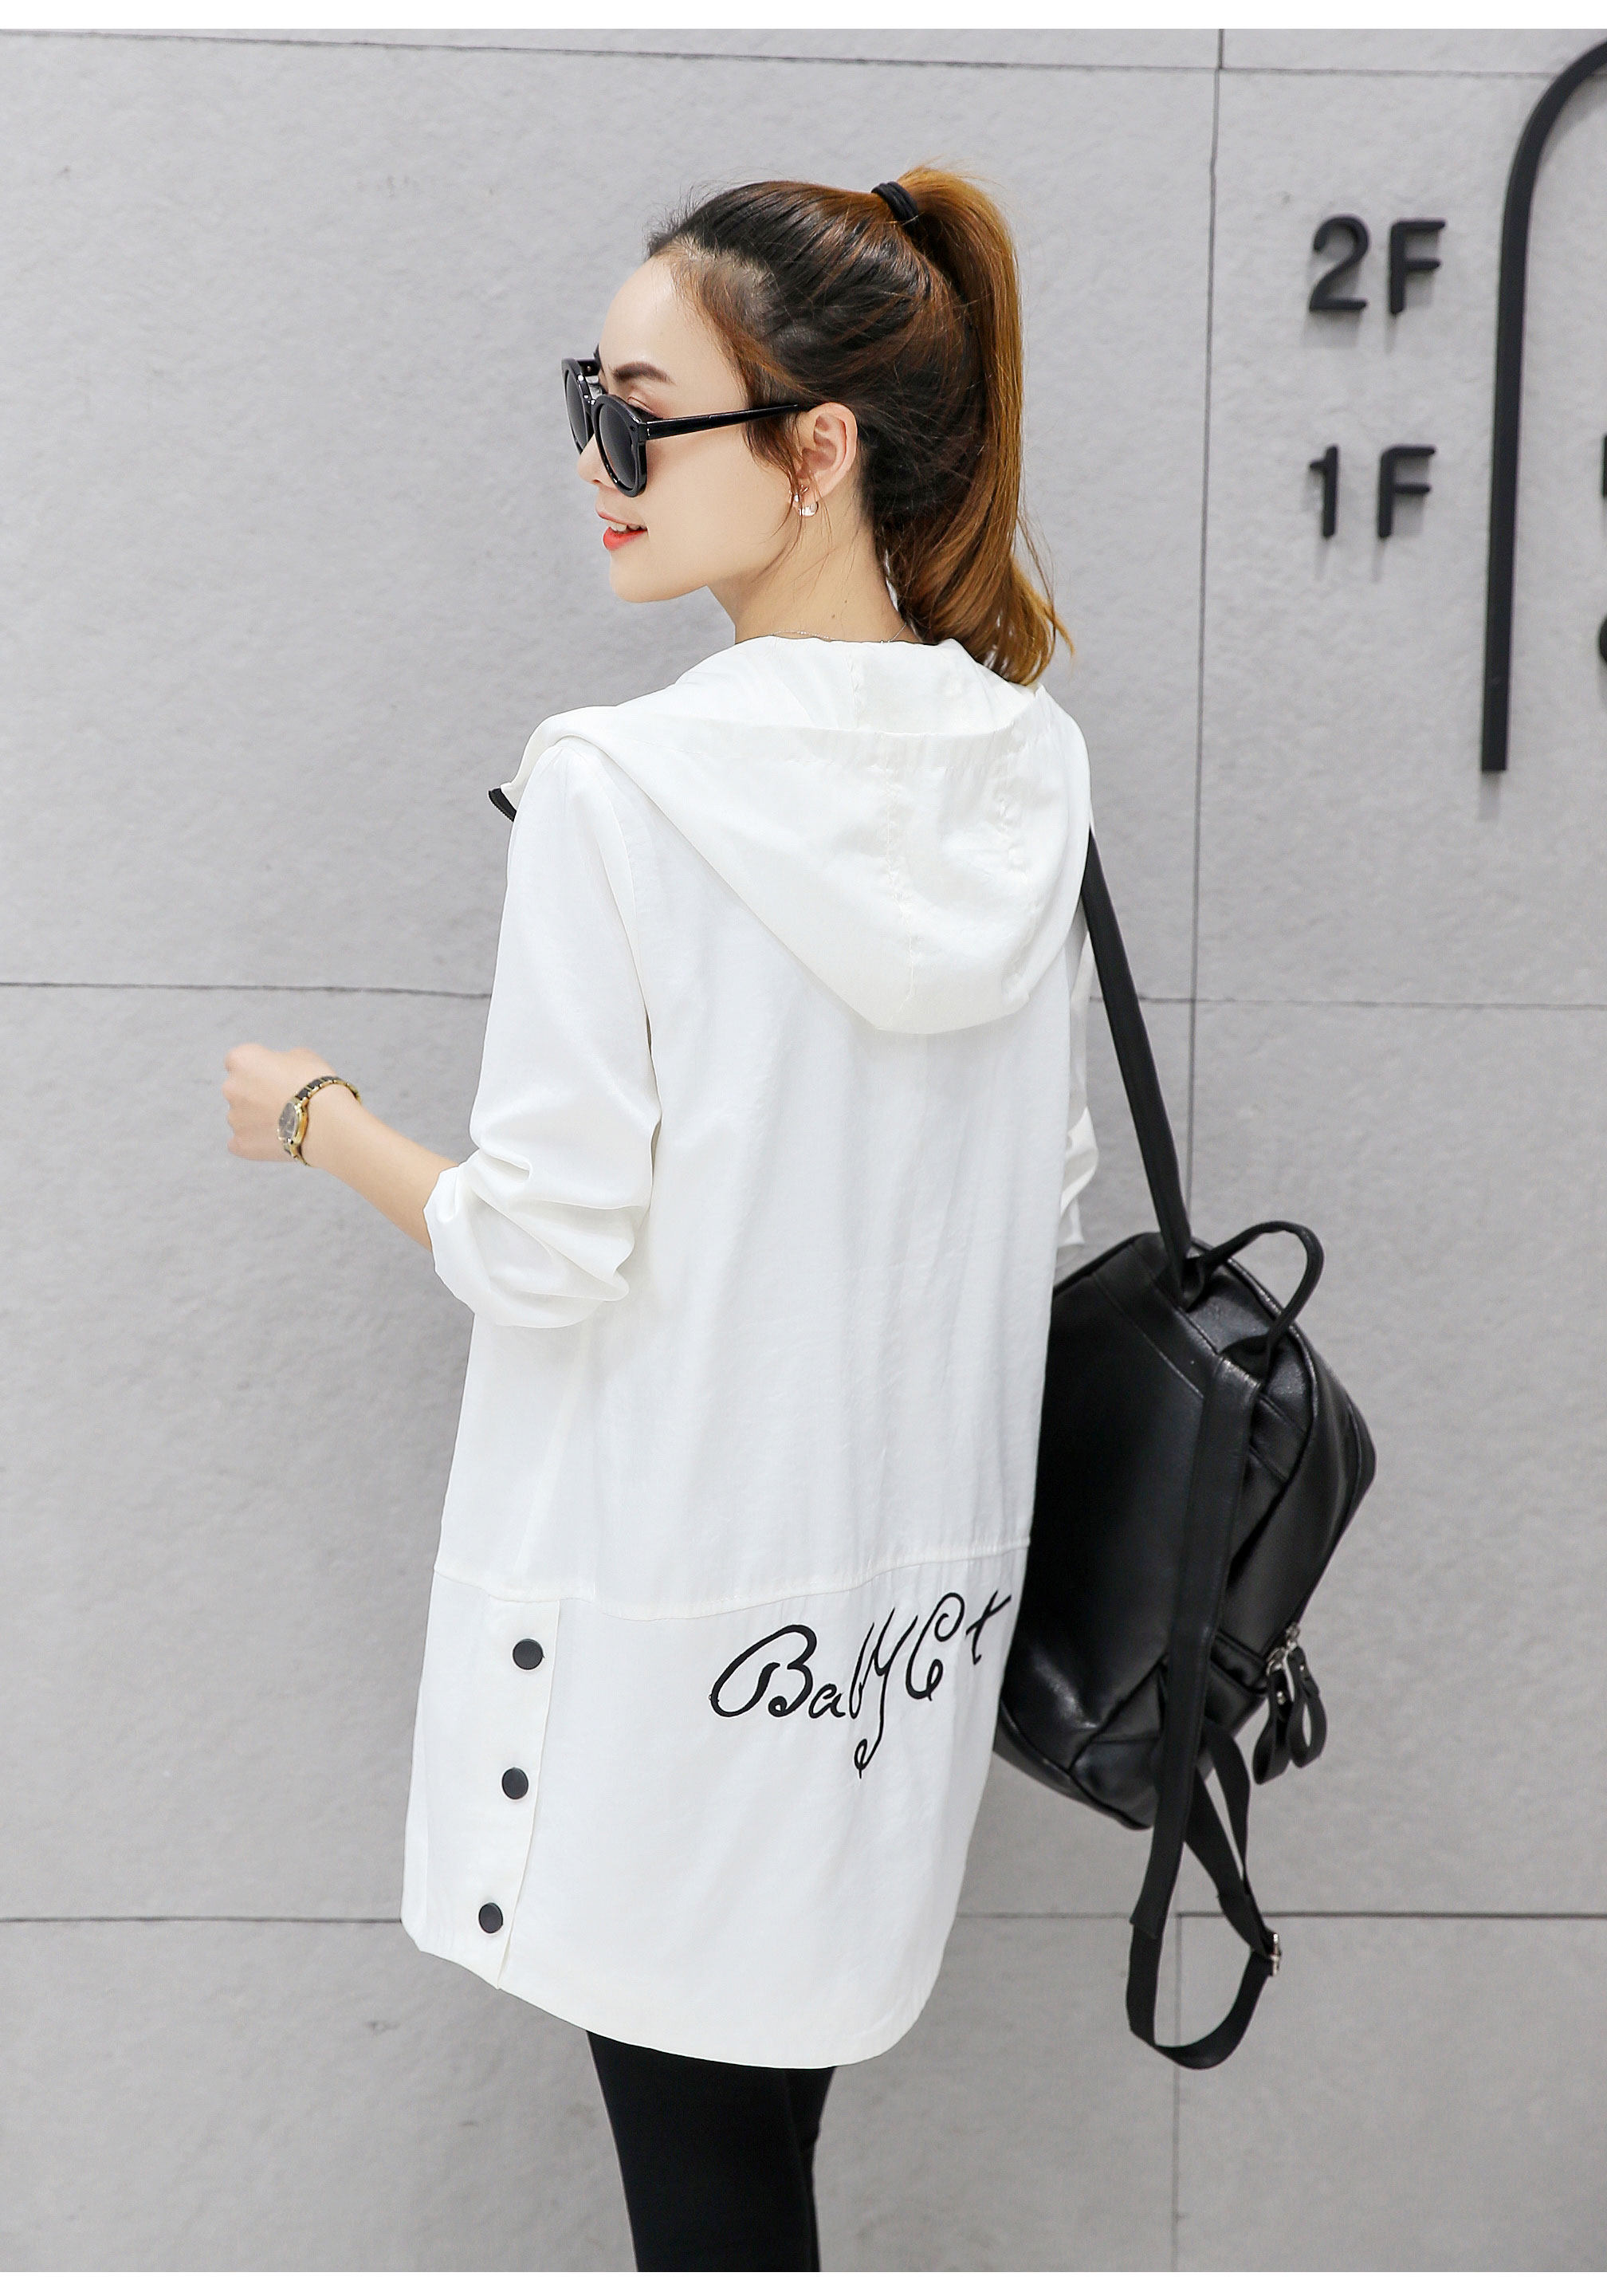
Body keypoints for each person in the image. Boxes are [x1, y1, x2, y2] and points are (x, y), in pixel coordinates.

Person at [221, 165, 1098, 2272]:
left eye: (641, 414)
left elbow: (542, 1243)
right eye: (586, 404)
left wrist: (319, 1122)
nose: (597, 463)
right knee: (750, 2183)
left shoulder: (622, 788)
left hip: (671, 1640)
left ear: (817, 452)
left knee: (711, 2214)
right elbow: (1042, 1190)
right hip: (893, 1650)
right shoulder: (1027, 767)